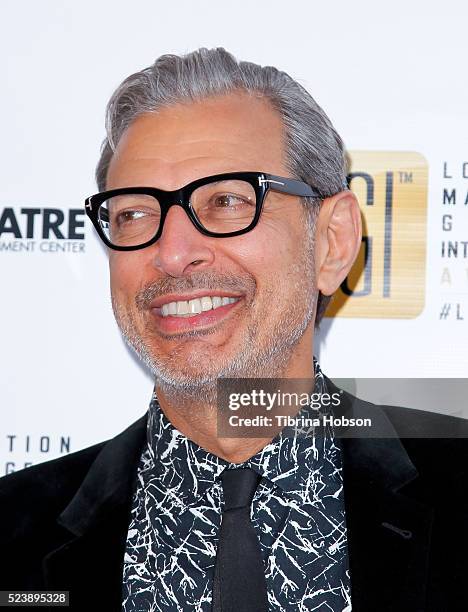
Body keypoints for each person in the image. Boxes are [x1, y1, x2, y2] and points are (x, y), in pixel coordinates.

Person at [1, 47, 467, 612]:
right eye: (134, 214)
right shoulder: (12, 533)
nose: (172, 254)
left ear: (332, 241)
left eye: (225, 201)